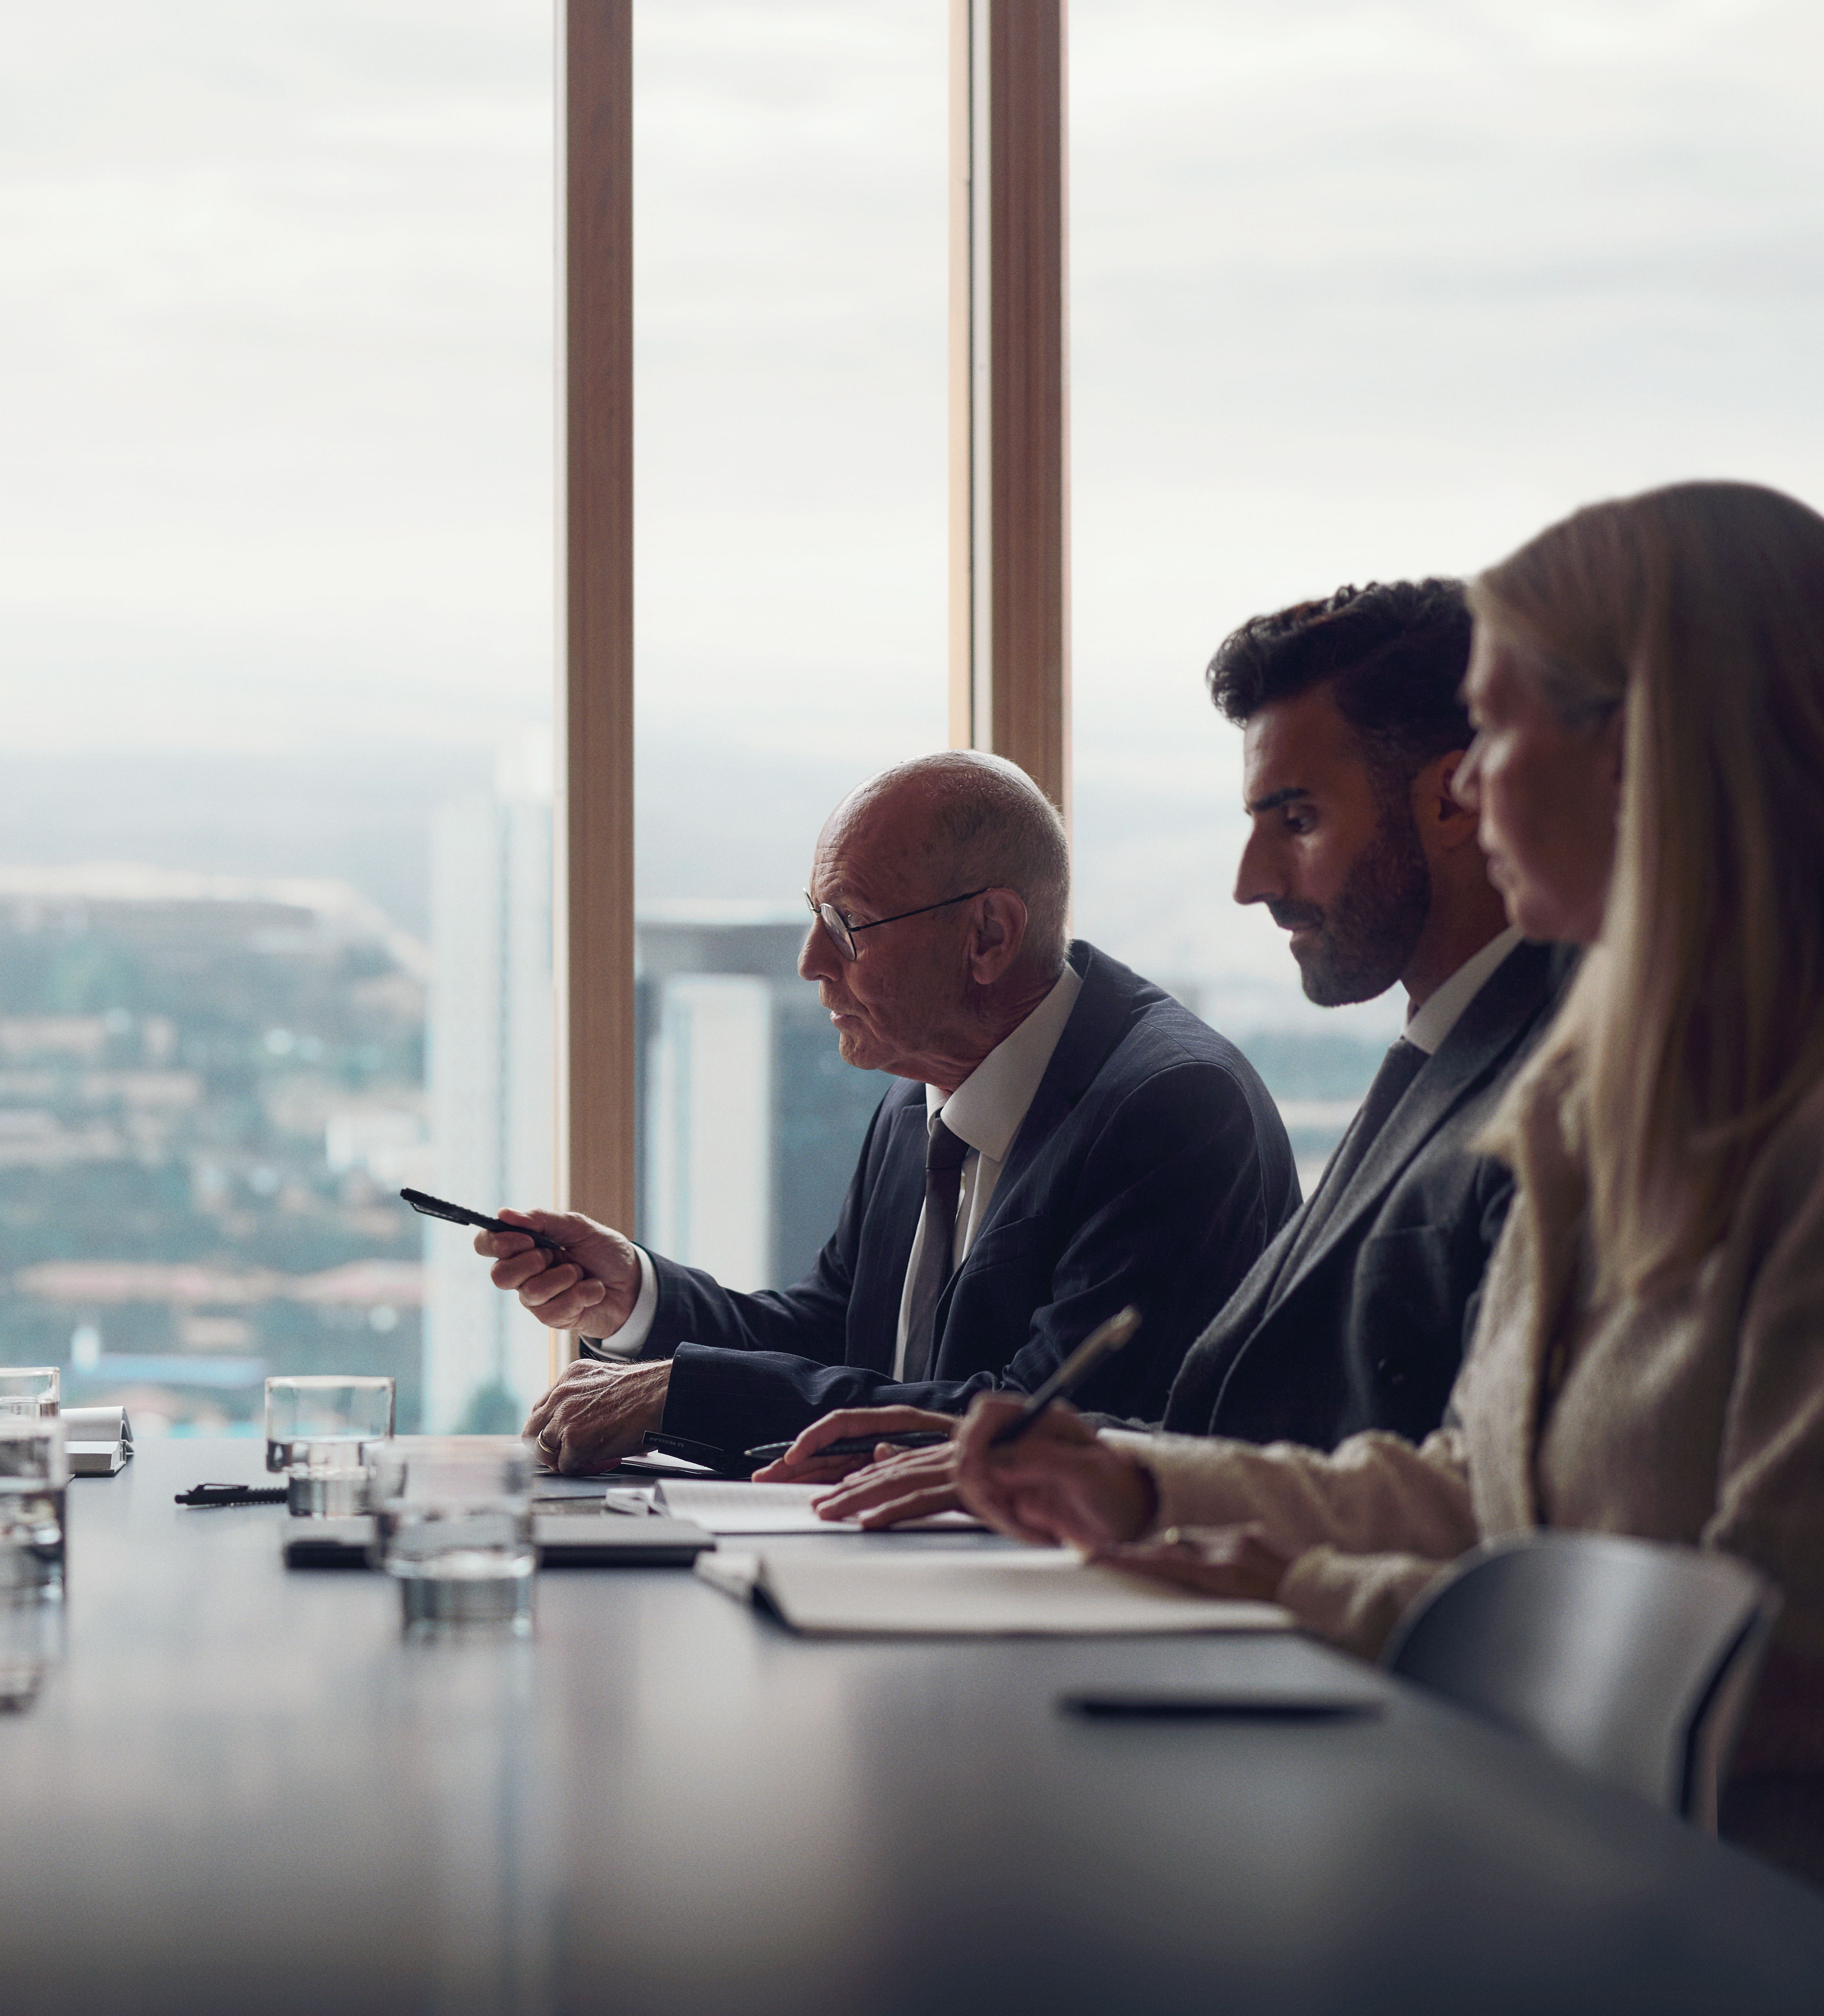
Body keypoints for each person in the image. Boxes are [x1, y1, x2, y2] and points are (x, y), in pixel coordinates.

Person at [940, 480, 1824, 1885]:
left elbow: (1779, 1668)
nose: (1467, 788)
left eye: (1499, 733)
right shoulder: (1597, 1111)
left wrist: (1313, 1596)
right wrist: (1143, 1489)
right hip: (1570, 1878)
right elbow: (1487, 1496)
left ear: (1640, 754)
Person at [796, 580, 1571, 1518]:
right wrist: (1116, 1472)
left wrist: (1145, 1487)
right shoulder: (1436, 1059)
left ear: (1456, 799)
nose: (1250, 882)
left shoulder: (1561, 1093)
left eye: (1298, 820)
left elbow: (1493, 1502)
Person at [482, 750, 1300, 1469]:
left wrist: (685, 1393)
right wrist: (637, 1298)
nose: (810, 960)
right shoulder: (920, 1086)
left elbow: (1043, 1423)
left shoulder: (1175, 1111)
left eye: (847, 923)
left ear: (989, 935)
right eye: (815, 917)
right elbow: (833, 1337)